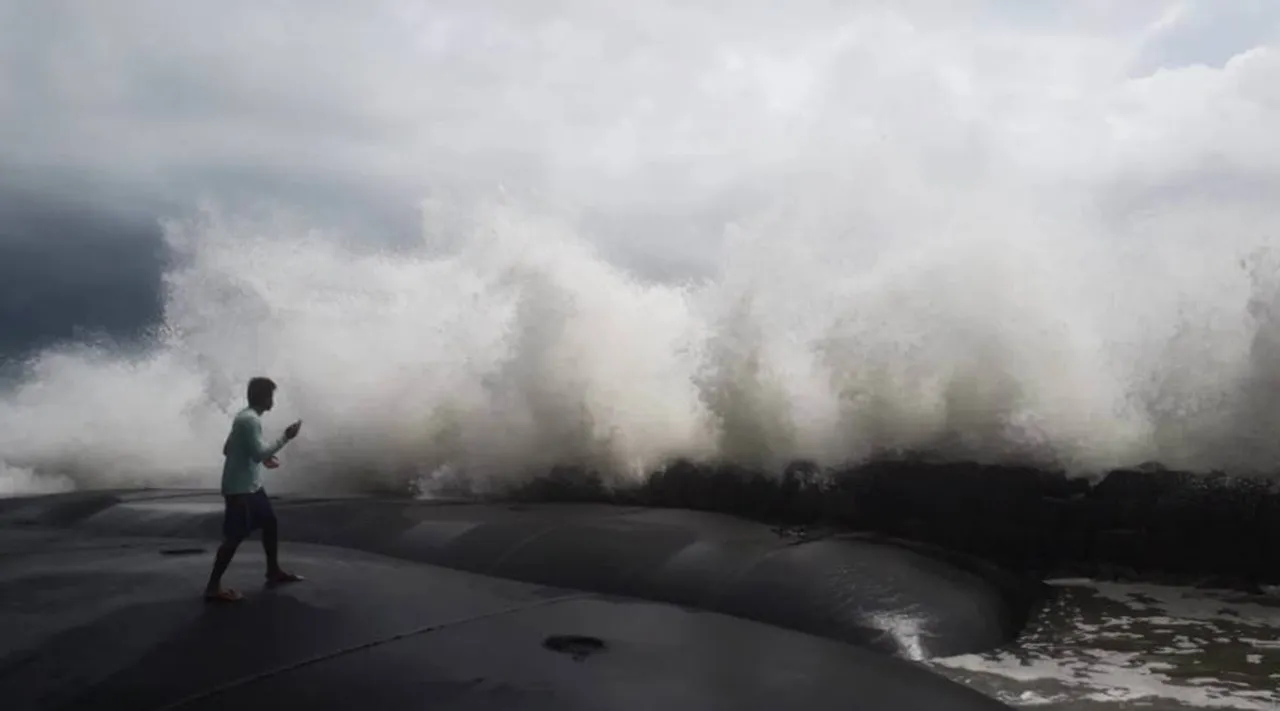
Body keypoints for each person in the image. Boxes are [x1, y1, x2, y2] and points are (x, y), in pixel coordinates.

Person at [204, 376, 304, 602]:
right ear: (264, 398)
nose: (273, 401)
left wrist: (260, 457)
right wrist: (285, 437)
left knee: (270, 523)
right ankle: (212, 587)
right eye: (271, 396)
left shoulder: (243, 417)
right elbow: (257, 453)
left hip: (250, 486)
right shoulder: (250, 421)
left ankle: (273, 570)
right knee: (234, 536)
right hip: (240, 489)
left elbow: (228, 448)